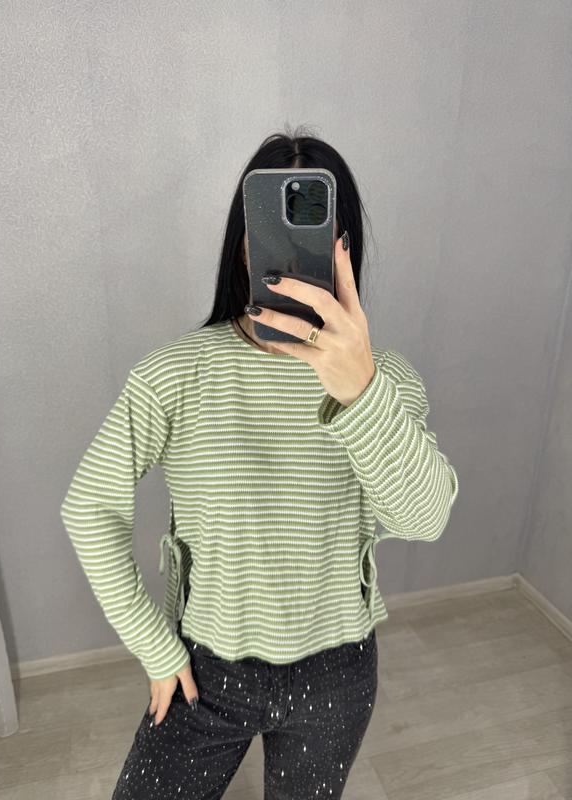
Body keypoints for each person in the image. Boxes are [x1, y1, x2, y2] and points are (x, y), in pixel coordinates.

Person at [60, 126, 459, 799]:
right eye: (271, 231)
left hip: (337, 675)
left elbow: (425, 520)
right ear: (245, 243)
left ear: (345, 250)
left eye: (317, 235)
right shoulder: (174, 374)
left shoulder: (387, 382)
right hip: (205, 671)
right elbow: (88, 508)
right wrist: (154, 647)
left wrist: (361, 393)